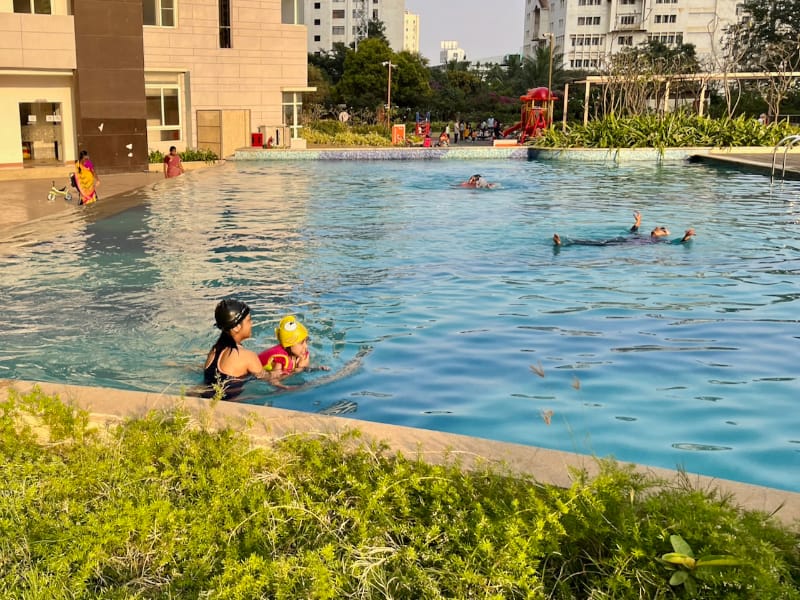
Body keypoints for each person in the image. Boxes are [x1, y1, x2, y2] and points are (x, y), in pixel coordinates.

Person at [202, 298, 273, 399]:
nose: (251, 324)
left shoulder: (215, 350)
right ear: (236, 327)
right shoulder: (247, 356)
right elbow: (270, 380)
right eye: (248, 320)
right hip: (226, 406)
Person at [258, 315, 329, 386]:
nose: (306, 346)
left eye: (306, 341)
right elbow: (273, 380)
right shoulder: (280, 360)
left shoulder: (300, 355)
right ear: (289, 345)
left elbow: (305, 368)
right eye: (301, 343)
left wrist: (317, 368)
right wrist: (285, 387)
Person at [553, 211, 694, 246]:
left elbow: (676, 244)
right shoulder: (647, 236)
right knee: (592, 242)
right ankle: (566, 242)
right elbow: (633, 231)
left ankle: (564, 243)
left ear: (664, 235)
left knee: (595, 245)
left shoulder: (657, 242)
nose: (658, 227)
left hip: (621, 245)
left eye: (662, 228)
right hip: (619, 240)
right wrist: (639, 222)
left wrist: (686, 237)